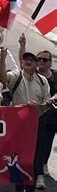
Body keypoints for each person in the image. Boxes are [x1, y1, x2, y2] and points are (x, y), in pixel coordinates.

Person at [0, 49, 50, 192]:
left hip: (36, 125)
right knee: (19, 159)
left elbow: (48, 104)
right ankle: (18, 191)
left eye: (31, 60)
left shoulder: (42, 81)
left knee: (35, 160)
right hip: (19, 126)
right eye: (25, 60)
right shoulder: (16, 76)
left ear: (36, 65)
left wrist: (38, 107)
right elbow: (2, 77)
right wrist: (2, 59)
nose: (28, 62)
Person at [34, 50, 57, 185]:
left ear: (50, 62)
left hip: (52, 117)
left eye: (44, 60)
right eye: (39, 59)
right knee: (37, 143)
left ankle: (43, 164)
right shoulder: (33, 74)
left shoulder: (55, 75)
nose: (41, 62)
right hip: (37, 116)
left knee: (48, 142)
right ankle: (37, 172)